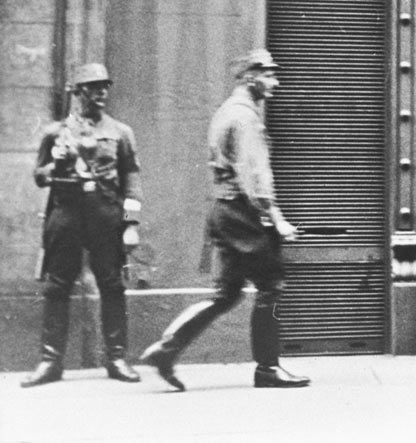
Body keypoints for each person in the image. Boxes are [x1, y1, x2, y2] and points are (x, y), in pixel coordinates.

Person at [140, 49, 309, 390]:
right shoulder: (245, 118)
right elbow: (255, 175)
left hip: (224, 211)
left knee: (226, 294)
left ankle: (166, 351)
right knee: (271, 286)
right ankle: (268, 369)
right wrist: (276, 218)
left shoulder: (226, 112)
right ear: (252, 77)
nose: (275, 83)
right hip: (243, 214)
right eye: (270, 75)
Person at [23, 63, 143, 387]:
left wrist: (131, 225)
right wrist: (57, 161)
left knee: (112, 285)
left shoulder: (120, 132)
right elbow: (38, 177)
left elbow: (131, 181)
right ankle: (51, 362)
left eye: (105, 86)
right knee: (57, 285)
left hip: (105, 213)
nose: (101, 92)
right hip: (67, 212)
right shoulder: (55, 132)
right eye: (93, 87)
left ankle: (116, 358)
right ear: (78, 92)